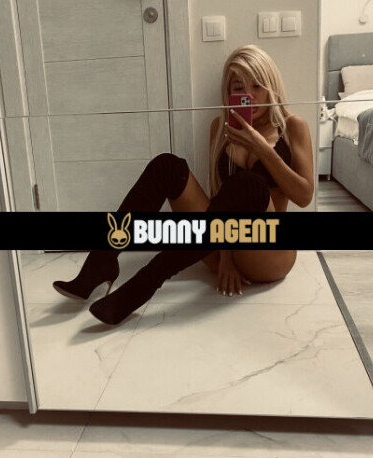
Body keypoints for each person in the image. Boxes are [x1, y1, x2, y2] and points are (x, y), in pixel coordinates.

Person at [53, 45, 314, 326]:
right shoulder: (221, 128)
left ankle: (139, 288)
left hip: (267, 253)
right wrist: (226, 259)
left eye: (258, 85)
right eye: (239, 88)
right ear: (228, 93)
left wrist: (263, 149)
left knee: (249, 184)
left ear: (271, 85)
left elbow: (304, 196)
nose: (249, 95)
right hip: (220, 243)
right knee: (167, 165)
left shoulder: (292, 126)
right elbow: (218, 196)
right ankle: (100, 263)